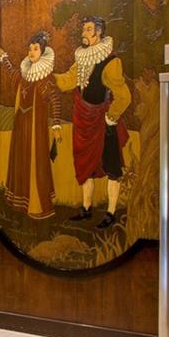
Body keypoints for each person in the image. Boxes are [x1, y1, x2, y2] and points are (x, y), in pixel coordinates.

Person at [53, 15, 131, 228]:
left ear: (99, 32)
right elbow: (68, 81)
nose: (84, 33)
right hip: (84, 120)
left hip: (104, 122)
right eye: (84, 29)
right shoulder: (82, 59)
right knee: (85, 165)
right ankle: (86, 209)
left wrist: (111, 117)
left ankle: (111, 212)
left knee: (111, 166)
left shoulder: (111, 62)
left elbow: (124, 97)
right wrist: (48, 76)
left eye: (88, 29)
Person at [0, 31, 61, 219]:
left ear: (43, 52)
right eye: (30, 49)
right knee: (21, 161)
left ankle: (37, 205)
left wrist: (56, 125)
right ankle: (20, 203)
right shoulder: (25, 74)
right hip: (21, 127)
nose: (31, 52)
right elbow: (12, 73)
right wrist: (4, 58)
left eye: (35, 49)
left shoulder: (45, 79)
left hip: (36, 129)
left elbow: (55, 100)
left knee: (36, 163)